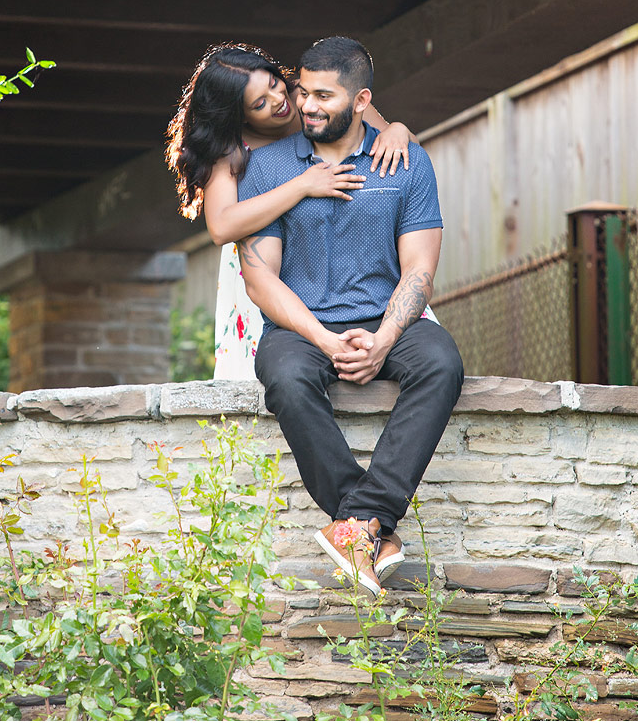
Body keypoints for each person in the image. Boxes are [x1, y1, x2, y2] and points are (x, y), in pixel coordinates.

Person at [236, 36, 464, 596]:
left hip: (386, 319)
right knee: (286, 377)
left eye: (323, 95)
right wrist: (322, 338)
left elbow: (418, 272)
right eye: (302, 92)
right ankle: (371, 526)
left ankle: (359, 522)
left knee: (442, 361)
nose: (306, 106)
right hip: (300, 328)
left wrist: (386, 339)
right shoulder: (269, 168)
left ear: (361, 101)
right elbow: (259, 276)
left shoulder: (405, 161)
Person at [165, 43, 429, 379]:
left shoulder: (313, 98)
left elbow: (410, 156)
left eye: (274, 84)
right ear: (238, 115)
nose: (279, 101)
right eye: (259, 104)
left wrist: (398, 130)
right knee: (281, 373)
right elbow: (221, 226)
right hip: (270, 266)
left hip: (349, 250)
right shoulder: (231, 149)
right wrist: (302, 186)